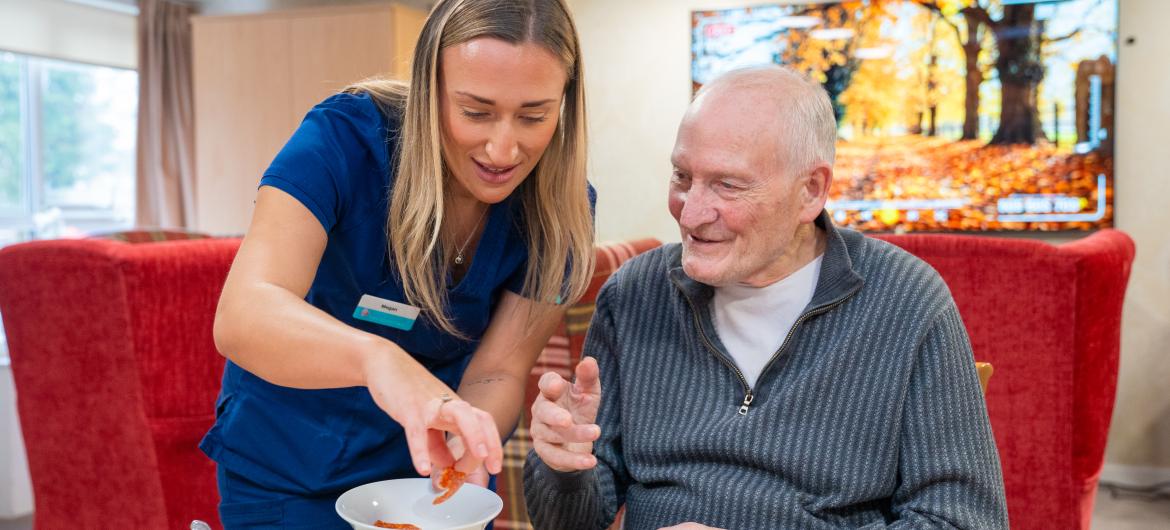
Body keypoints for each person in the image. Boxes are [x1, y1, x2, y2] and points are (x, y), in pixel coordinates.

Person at [523, 66, 1009, 530]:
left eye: (727, 185)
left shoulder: (907, 302)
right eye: (682, 178)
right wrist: (564, 467)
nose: (689, 214)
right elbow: (573, 521)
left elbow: (962, 520)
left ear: (811, 191)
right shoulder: (636, 294)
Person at [199, 0, 595, 527]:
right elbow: (244, 314)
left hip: (428, 483)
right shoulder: (342, 139)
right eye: (476, 111)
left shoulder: (562, 209)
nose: (503, 149)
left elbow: (499, 370)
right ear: (429, 90)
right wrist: (377, 360)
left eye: (533, 116)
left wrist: (467, 439)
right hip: (289, 466)